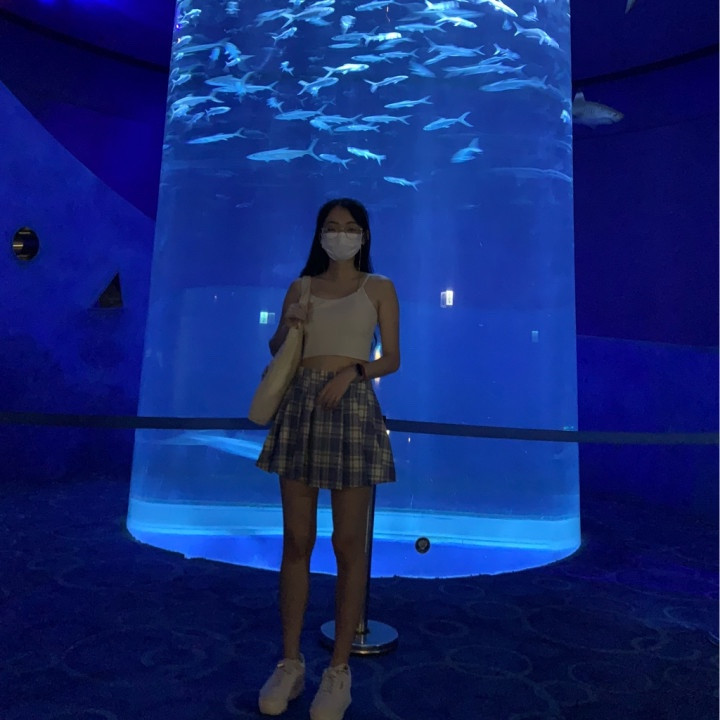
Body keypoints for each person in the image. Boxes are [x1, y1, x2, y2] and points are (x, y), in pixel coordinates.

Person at [255, 198, 400, 720]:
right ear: (319, 234)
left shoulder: (379, 287)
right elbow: (278, 347)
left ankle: (339, 670)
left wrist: (354, 372)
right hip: (301, 405)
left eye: (350, 227)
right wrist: (288, 322)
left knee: (348, 543)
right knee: (297, 540)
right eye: (332, 227)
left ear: (364, 234)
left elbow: (393, 357)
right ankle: (290, 662)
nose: (341, 235)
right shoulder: (301, 286)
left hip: (352, 404)